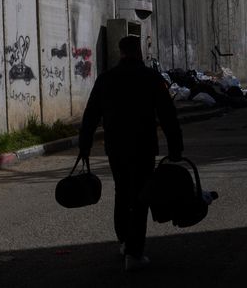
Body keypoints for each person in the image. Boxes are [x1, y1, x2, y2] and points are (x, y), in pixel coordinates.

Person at [78, 36, 183, 272]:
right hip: (143, 146)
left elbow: (91, 113)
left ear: (121, 52)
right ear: (139, 51)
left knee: (122, 192)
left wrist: (84, 145)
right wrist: (176, 146)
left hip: (116, 147)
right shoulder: (151, 77)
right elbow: (168, 115)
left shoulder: (106, 78)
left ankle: (125, 242)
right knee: (141, 196)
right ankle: (135, 252)